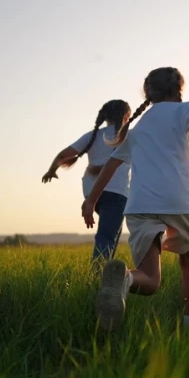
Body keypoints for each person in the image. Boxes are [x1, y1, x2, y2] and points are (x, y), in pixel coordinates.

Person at [81, 67, 189, 332]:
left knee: (149, 278)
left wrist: (91, 201)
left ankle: (124, 279)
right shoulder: (184, 110)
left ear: (148, 93)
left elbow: (110, 166)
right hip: (177, 202)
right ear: (178, 91)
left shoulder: (135, 127)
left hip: (140, 206)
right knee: (188, 262)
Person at [42, 100, 131, 262]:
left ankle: (105, 272)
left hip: (91, 192)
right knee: (107, 236)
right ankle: (98, 276)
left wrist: (52, 170)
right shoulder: (128, 136)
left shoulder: (92, 136)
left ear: (104, 116)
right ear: (127, 116)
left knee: (110, 234)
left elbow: (64, 155)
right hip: (116, 192)